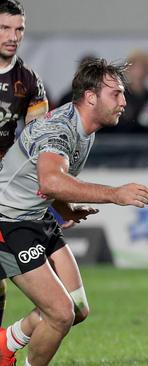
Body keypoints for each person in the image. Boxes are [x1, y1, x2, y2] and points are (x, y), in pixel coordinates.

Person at [0, 57, 148, 365]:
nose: (124, 101)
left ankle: (8, 342)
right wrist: (115, 195)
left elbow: (45, 183)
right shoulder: (58, 130)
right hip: (9, 221)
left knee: (78, 308)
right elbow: (51, 179)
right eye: (117, 94)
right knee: (60, 313)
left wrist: (65, 210)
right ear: (91, 97)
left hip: (37, 216)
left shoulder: (85, 128)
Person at [0, 0, 48, 330]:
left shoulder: (29, 82)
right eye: (4, 27)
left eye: (19, 29)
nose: (12, 36)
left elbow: (38, 146)